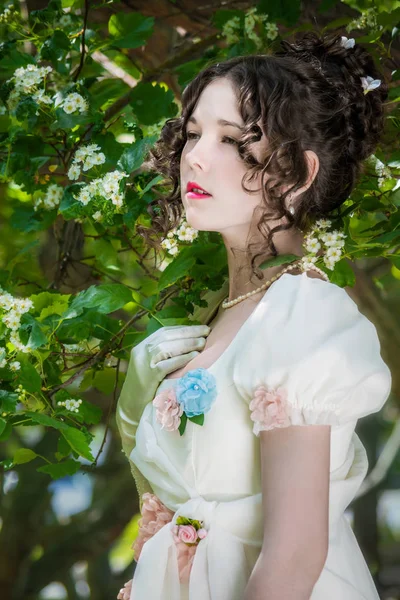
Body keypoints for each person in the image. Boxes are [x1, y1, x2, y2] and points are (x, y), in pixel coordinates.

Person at [116, 31, 392, 600]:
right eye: (194, 133)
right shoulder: (227, 311)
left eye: (230, 139)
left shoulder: (302, 315)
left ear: (296, 171)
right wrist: (130, 410)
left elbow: (294, 557)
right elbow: (174, 501)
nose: (195, 154)